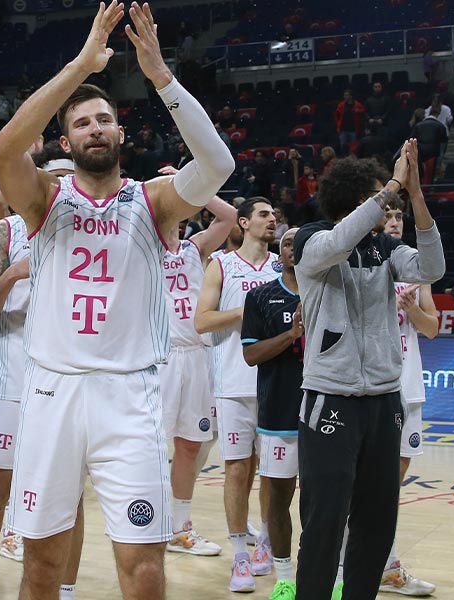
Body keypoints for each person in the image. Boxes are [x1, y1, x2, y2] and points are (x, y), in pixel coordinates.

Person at [0, 2, 235, 597]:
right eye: (82, 123)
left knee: (144, 568)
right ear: (67, 139)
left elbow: (218, 164)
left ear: (121, 132)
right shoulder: (43, 198)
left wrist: (162, 78)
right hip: (53, 393)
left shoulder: (156, 203)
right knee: (42, 567)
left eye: (104, 119)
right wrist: (79, 68)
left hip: (130, 397)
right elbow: (3, 149)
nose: (95, 128)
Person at [291, 142, 445, 600]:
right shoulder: (311, 240)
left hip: (383, 402)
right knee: (325, 522)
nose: (388, 204)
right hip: (330, 400)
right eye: (379, 196)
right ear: (358, 199)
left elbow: (432, 268)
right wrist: (392, 185)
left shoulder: (387, 248)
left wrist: (415, 196)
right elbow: (340, 241)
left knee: (377, 523)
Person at [0, 158, 85, 600]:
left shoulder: (93, 232)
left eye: (73, 177)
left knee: (72, 501)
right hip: (14, 384)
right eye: (59, 177)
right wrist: (13, 272)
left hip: (70, 385)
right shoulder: (7, 231)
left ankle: (64, 593)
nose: (66, 185)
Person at [333, 199, 438, 598]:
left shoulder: (416, 272)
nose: (394, 222)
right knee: (361, 483)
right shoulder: (357, 261)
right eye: (388, 215)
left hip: (407, 384)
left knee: (389, 487)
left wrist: (413, 309)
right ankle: (352, 563)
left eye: (398, 217)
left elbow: (432, 329)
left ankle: (384, 564)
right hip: (369, 385)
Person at [194, 197, 278, 593]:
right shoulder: (222, 265)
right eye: (263, 214)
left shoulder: (283, 265)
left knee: (275, 473)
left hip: (279, 383)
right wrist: (248, 310)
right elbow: (202, 321)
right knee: (237, 470)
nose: (272, 219)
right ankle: (240, 556)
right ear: (243, 222)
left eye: (274, 214)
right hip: (233, 383)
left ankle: (264, 541)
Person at [156, 165, 237, 557]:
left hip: (197, 357)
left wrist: (193, 182)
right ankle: (139, 521)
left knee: (190, 445)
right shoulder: (143, 245)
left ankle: (179, 529)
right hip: (159, 358)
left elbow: (230, 218)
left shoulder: (194, 248)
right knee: (150, 446)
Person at [240, 227, 303, 600]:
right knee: (279, 498)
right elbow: (251, 355)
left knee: (326, 501)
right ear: (280, 253)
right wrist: (291, 336)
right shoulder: (260, 296)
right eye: (287, 242)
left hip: (326, 413)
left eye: (300, 241)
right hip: (279, 414)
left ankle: (327, 573)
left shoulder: (331, 293)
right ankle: (284, 578)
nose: (293, 247)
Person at [333, 90, 364, 154]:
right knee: (343, 147)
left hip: (353, 130)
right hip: (343, 130)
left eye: (346, 95)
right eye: (344, 95)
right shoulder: (341, 105)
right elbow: (336, 115)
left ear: (351, 96)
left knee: (353, 148)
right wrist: (338, 123)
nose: (344, 96)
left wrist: (358, 111)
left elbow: (363, 110)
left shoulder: (357, 104)